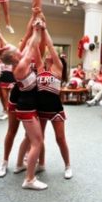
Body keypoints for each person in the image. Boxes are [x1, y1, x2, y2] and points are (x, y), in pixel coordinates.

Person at [0, 18, 46, 189]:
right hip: (25, 106)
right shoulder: (20, 66)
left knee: (32, 138)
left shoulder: (18, 62)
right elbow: (32, 44)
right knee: (37, 141)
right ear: (13, 56)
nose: (21, 50)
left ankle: (20, 164)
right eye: (17, 50)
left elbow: (28, 42)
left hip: (27, 104)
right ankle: (29, 179)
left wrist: (34, 23)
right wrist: (37, 30)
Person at [34, 25, 72, 179]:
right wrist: (36, 32)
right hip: (41, 108)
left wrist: (44, 30)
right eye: (48, 53)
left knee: (60, 138)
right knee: (40, 138)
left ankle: (68, 165)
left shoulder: (58, 68)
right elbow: (36, 48)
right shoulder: (40, 68)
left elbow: (49, 45)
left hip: (55, 108)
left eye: (52, 53)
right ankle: (41, 163)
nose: (49, 53)